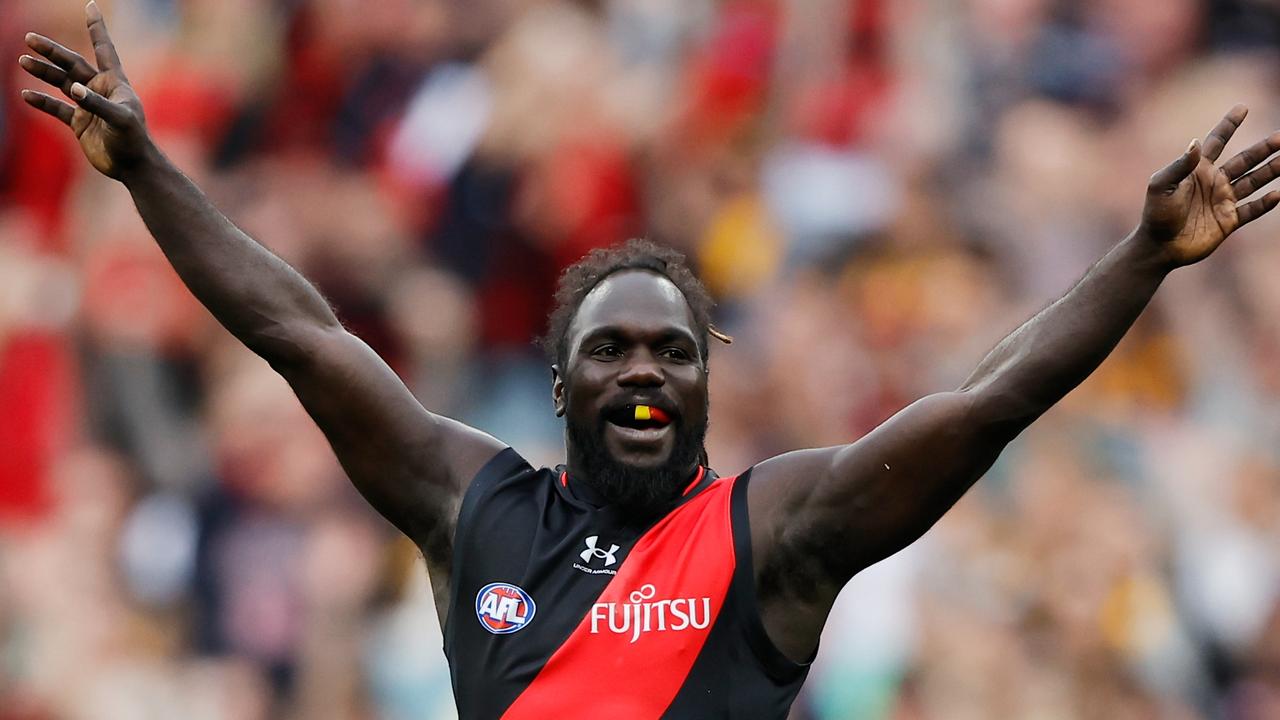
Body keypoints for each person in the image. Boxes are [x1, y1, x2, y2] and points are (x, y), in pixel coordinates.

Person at [17, 3, 1280, 718]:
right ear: (558, 380)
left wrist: (1141, 257)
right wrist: (147, 169)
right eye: (609, 346)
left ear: (703, 381)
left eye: (671, 350)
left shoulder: (773, 531)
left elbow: (985, 401)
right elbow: (297, 333)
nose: (643, 369)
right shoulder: (475, 510)